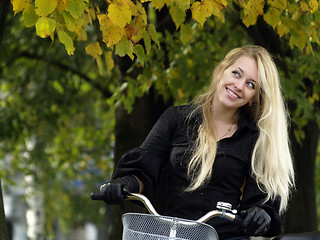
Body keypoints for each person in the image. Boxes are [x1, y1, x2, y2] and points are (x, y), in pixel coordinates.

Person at [100, 45, 295, 239]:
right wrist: (123, 184)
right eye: (236, 74)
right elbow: (144, 170)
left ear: (253, 98)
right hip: (170, 234)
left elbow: (264, 199)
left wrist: (262, 215)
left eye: (250, 84)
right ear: (221, 71)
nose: (239, 85)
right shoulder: (175, 118)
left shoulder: (255, 139)